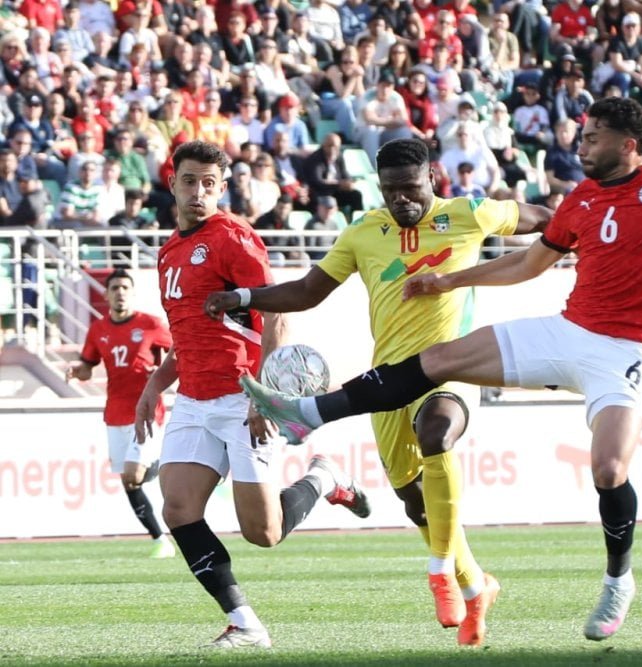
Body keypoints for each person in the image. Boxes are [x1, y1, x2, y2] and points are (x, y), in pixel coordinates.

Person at [236, 97, 642, 641]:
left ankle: (618, 579)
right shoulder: (581, 200)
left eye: (590, 137)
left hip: (627, 350)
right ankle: (307, 415)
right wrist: (451, 279)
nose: (580, 145)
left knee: (609, 467)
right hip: (568, 330)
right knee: (438, 360)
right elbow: (530, 264)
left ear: (627, 143)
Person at [205, 138, 550, 646]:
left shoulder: (472, 213)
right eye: (391, 191)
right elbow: (307, 291)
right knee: (415, 504)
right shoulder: (365, 230)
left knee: (438, 432)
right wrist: (243, 296)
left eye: (410, 189)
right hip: (387, 382)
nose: (401, 201)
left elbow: (544, 217)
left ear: (432, 178)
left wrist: (584, 230)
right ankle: (476, 585)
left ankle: (439, 574)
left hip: (453, 367)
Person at [132, 141, 370, 649]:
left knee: (263, 532)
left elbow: (276, 313)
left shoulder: (234, 238)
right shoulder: (169, 249)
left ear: (223, 188)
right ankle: (245, 622)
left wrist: (264, 397)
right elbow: (188, 331)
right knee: (177, 508)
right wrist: (155, 384)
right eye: (190, 181)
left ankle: (324, 477)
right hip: (194, 400)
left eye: (210, 184)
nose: (199, 192)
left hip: (243, 397)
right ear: (172, 183)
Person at [65, 269, 176, 559]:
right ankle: (159, 540)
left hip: (148, 411)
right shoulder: (98, 329)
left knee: (132, 472)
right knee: (129, 480)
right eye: (115, 287)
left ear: (132, 292)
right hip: (115, 413)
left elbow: (179, 352)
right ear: (106, 294)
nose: (120, 292)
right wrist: (79, 371)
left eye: (125, 287)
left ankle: (173, 464)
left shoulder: (150, 324)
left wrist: (160, 374)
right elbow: (89, 365)